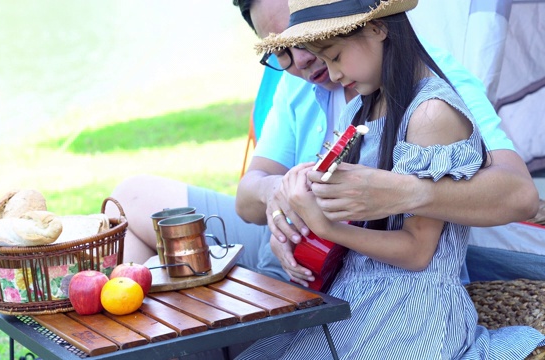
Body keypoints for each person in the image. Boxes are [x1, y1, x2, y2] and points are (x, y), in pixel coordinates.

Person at [105, 0, 539, 287]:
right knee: (130, 200)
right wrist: (282, 197)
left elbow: (519, 196)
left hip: (369, 274)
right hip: (295, 246)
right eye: (285, 49)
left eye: (314, 43)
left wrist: (408, 192)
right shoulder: (298, 85)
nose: (304, 61)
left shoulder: (432, 90)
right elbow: (248, 197)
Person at [233, 0, 545, 358]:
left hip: (409, 314)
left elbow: (417, 252)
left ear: (378, 28)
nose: (332, 75)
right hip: (357, 297)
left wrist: (332, 228)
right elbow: (344, 214)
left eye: (333, 55)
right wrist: (296, 221)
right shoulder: (360, 106)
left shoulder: (430, 113)